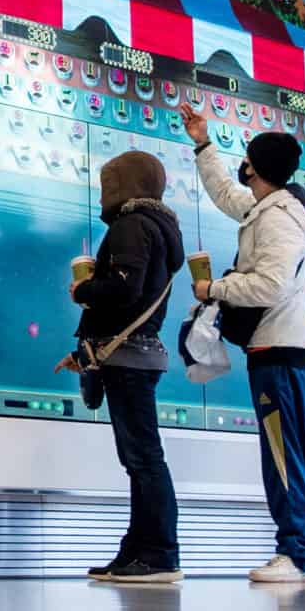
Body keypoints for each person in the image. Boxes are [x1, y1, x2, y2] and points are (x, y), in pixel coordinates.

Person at [184, 109, 305, 584]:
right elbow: (226, 194)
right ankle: (303, 552)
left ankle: (298, 554)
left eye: (246, 159)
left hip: (277, 347)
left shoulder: (279, 221)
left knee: (283, 455)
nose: (242, 167)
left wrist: (215, 289)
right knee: (290, 452)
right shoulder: (269, 208)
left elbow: (269, 285)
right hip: (279, 346)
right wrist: (203, 144)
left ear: (256, 167)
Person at [62, 149, 185, 585]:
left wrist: (83, 290)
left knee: (144, 459)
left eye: (107, 184)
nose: (102, 195)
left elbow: (124, 290)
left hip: (128, 359)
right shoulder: (160, 228)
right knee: (140, 459)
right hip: (139, 354)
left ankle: (159, 554)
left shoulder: (132, 225)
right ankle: (138, 550)